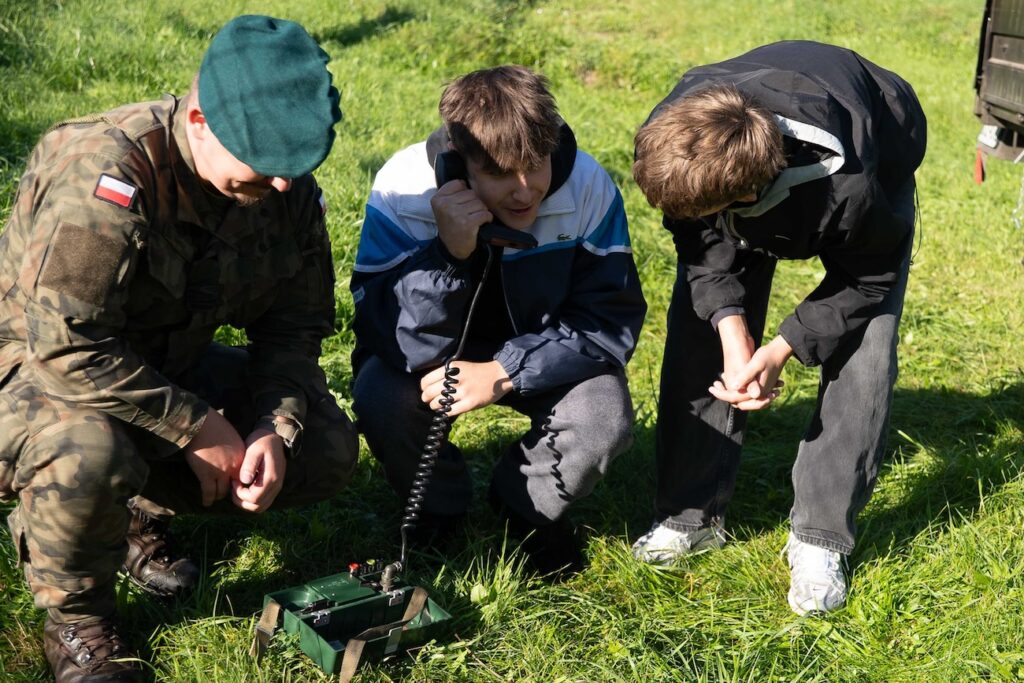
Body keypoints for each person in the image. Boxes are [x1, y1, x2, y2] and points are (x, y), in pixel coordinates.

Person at [0, 15, 356, 681]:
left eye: (296, 162)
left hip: (164, 364)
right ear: (197, 119)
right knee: (89, 447)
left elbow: (292, 331)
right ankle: (78, 622)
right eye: (265, 157)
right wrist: (195, 425)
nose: (283, 185)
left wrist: (269, 427)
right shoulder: (106, 174)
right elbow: (66, 346)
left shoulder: (285, 188)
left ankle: (136, 514)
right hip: (30, 374)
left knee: (327, 447)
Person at [630, 41, 926, 615]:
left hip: (873, 157)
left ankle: (820, 538)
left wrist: (783, 348)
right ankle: (690, 514)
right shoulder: (674, 142)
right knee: (700, 329)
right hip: (732, 167)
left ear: (745, 195)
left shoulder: (853, 189)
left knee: (864, 346)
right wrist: (733, 331)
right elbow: (700, 244)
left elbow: (867, 280)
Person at [350, 65, 646, 576]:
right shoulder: (403, 188)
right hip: (433, 355)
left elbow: (608, 320)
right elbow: (386, 335)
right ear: (459, 166)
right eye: (499, 173)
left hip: (545, 352)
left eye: (536, 164)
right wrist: (448, 255)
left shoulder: (590, 186)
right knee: (380, 393)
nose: (525, 190)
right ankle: (438, 508)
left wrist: (506, 370)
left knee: (604, 415)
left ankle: (523, 509)